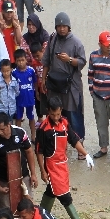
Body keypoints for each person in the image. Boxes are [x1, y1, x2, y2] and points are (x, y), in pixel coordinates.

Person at [35, 96, 91, 219]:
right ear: (48, 112)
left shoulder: (65, 122)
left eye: (58, 114)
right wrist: (42, 171)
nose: (55, 117)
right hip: (51, 167)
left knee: (52, 192)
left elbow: (74, 140)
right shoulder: (43, 128)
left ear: (61, 111)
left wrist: (86, 154)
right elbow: (39, 151)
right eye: (53, 115)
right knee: (65, 196)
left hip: (62, 165)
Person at [43, 12, 86, 143]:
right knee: (56, 114)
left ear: (69, 27)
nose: (62, 29)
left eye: (64, 26)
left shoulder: (76, 42)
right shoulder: (52, 39)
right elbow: (46, 61)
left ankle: (79, 144)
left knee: (73, 115)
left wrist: (69, 59)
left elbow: (82, 62)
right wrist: (43, 80)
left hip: (71, 86)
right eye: (59, 26)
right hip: (55, 85)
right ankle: (58, 142)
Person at [0, 111, 38, 210]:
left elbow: (29, 152)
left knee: (28, 205)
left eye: (2, 129)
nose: (0, 132)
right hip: (3, 181)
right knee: (5, 209)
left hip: (23, 177)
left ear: (9, 124)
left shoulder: (20, 133)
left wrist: (33, 174)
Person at [88, 31, 110, 162]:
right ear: (100, 44)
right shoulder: (93, 56)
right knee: (101, 123)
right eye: (106, 44)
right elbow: (90, 75)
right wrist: (92, 92)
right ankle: (103, 148)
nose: (109, 47)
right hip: (98, 96)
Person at [13, 49, 38, 139]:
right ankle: (18, 137)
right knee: (18, 118)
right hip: (19, 99)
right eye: (18, 61)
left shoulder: (31, 71)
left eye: (22, 60)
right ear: (15, 61)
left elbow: (35, 82)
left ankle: (33, 136)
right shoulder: (14, 73)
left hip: (29, 99)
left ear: (26, 60)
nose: (20, 63)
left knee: (31, 117)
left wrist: (37, 93)